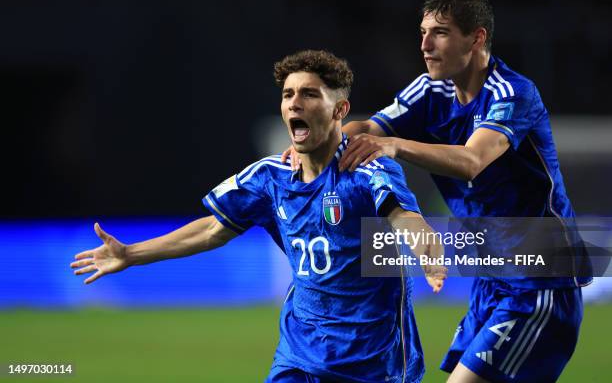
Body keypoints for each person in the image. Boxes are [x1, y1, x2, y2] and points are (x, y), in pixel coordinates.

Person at [71, 50, 446, 383]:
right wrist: (131, 254)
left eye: (309, 94)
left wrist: (427, 250)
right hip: (299, 355)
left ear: (339, 110)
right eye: (288, 95)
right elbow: (213, 230)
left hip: (372, 361)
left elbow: (403, 217)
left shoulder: (366, 168)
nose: (294, 103)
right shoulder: (270, 177)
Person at [280, 0, 591, 383]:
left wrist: (394, 145)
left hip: (541, 278)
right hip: (492, 278)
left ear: (477, 38)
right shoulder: (429, 90)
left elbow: (472, 161)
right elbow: (366, 129)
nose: (425, 45)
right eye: (422, 33)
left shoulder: (513, 93)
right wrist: (316, 141)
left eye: (440, 32)